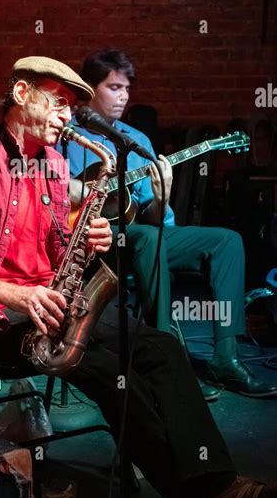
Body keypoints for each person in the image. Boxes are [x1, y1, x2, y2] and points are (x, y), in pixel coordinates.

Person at [0, 55, 277, 498]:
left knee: (161, 348)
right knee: (108, 370)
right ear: (22, 94)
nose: (67, 116)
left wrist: (86, 240)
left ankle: (218, 480)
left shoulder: (51, 164)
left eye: (72, 107)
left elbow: (53, 247)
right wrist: (10, 293)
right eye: (59, 102)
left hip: (55, 304)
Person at [62, 48, 276, 400]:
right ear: (90, 88)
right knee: (148, 239)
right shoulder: (66, 136)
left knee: (226, 240)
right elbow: (49, 190)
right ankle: (166, 363)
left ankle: (226, 358)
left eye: (127, 88)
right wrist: (84, 190)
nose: (124, 96)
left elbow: (157, 222)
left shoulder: (137, 141)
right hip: (87, 239)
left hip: (139, 236)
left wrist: (162, 197)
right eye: (114, 87)